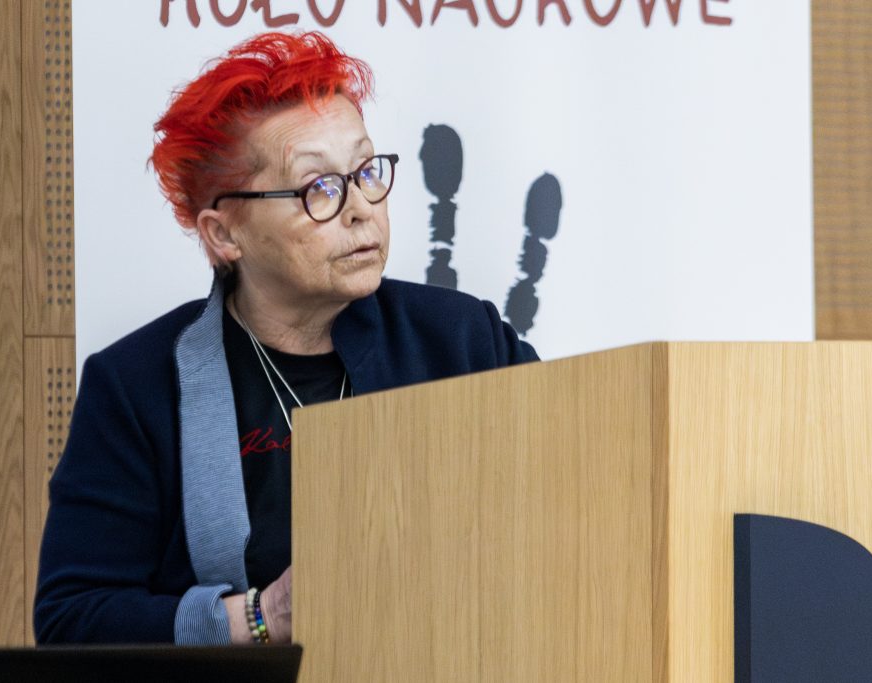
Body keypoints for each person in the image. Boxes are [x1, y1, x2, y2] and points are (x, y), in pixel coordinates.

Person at [34, 30, 538, 647]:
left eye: (366, 171)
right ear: (224, 235)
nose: (360, 207)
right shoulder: (136, 385)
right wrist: (262, 616)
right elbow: (72, 620)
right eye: (317, 187)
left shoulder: (463, 340)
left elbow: (565, 502)